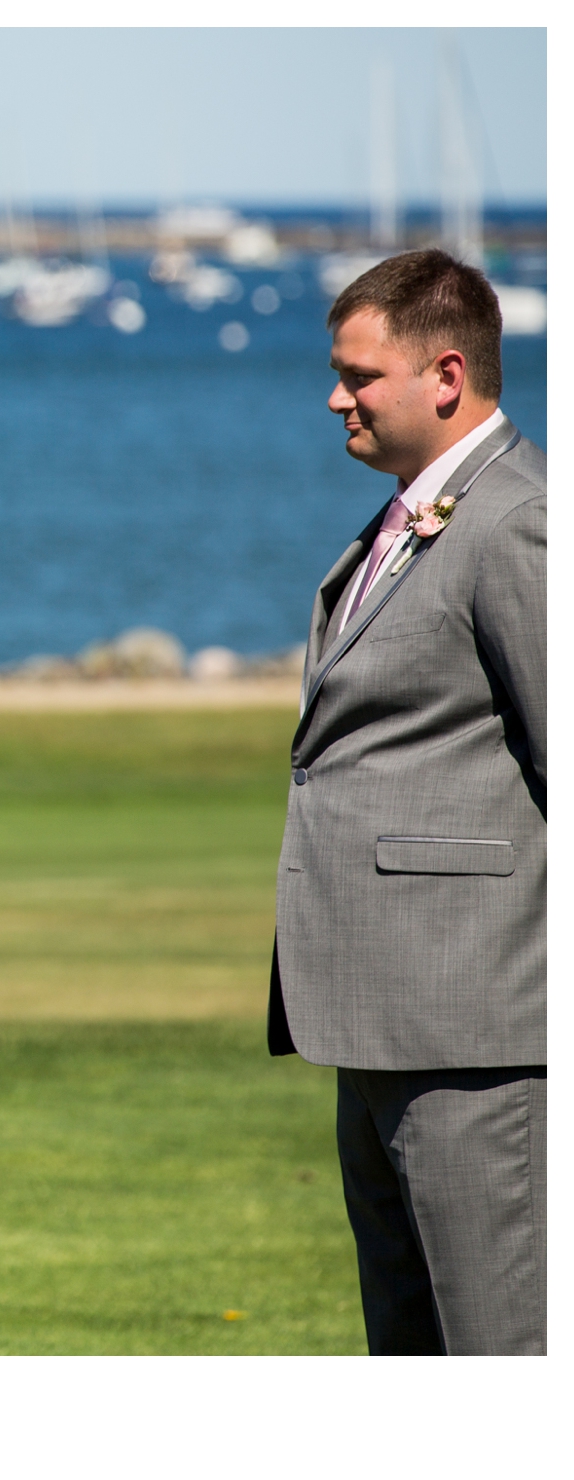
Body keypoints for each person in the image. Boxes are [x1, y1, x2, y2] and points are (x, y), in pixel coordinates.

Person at [270, 249, 545, 1355]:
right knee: (406, 1349)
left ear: (443, 375)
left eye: (356, 374)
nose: (335, 396)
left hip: (472, 1025)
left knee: (494, 1349)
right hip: (373, 1015)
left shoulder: (512, 522)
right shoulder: (404, 517)